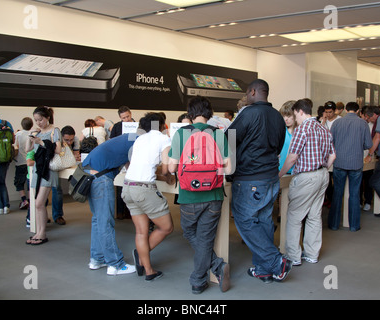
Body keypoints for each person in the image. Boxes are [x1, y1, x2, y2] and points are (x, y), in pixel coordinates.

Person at [226, 79, 292, 283]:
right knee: (263, 220)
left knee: (244, 219)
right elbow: (280, 145)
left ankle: (275, 262)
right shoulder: (278, 117)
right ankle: (263, 269)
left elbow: (228, 138)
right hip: (271, 176)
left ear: (253, 92)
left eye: (247, 93)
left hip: (249, 178)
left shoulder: (248, 113)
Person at [168, 96, 231, 294]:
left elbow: (171, 167)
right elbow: (228, 168)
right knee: (205, 238)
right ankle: (207, 273)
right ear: (209, 112)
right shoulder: (219, 134)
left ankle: (202, 277)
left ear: (190, 112)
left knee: (189, 232)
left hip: (189, 195)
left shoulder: (181, 134)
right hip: (214, 195)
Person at [279, 98, 336, 265]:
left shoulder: (302, 130)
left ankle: (293, 256)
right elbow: (333, 155)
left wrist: (280, 174)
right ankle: (312, 254)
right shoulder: (323, 129)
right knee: (314, 216)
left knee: (295, 217)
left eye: (295, 115)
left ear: (300, 112)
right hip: (323, 175)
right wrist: (323, 167)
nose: (294, 119)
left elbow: (292, 157)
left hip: (306, 177)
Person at [122, 112, 174, 282]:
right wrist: (169, 176)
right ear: (162, 125)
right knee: (166, 227)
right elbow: (167, 169)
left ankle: (149, 270)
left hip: (128, 186)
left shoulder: (140, 139)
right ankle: (141, 255)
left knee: (141, 232)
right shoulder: (163, 138)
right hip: (144, 189)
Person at [83, 133, 137, 276]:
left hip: (89, 173)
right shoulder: (138, 142)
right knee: (105, 222)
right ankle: (115, 264)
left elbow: (126, 161)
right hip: (101, 177)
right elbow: (132, 166)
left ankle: (97, 258)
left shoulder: (129, 137)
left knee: (97, 220)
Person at [328, 102, 372, 231]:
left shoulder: (337, 123)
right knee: (354, 194)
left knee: (337, 193)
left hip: (339, 162)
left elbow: (331, 142)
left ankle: (334, 224)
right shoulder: (363, 123)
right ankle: (354, 225)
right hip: (356, 163)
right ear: (358, 111)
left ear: (346, 110)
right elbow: (368, 144)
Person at [25, 106, 61, 245]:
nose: (38, 122)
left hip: (48, 170)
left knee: (39, 202)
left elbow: (57, 149)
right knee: (37, 204)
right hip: (37, 170)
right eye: (36, 120)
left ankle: (42, 233)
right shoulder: (38, 132)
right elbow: (28, 149)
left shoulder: (54, 130)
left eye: (40, 119)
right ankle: (39, 232)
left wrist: (41, 142)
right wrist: (31, 136)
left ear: (47, 118)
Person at [110, 106, 136, 219]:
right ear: (120, 118)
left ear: (131, 114)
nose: (126, 119)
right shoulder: (116, 127)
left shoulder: (138, 125)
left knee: (133, 183)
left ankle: (130, 211)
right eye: (123, 118)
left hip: (134, 156)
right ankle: (120, 211)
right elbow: (112, 141)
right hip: (121, 156)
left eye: (127, 116)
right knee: (120, 184)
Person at [366, 106, 380, 218]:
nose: (369, 120)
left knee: (375, 181)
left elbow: (377, 137)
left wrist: (369, 154)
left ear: (374, 114)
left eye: (369, 118)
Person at [14, 117, 33, 210]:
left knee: (19, 182)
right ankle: (30, 199)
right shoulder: (32, 134)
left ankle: (24, 200)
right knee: (30, 182)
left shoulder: (18, 134)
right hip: (30, 161)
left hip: (20, 162)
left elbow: (15, 146)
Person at [278, 100, 297, 174]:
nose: (285, 119)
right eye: (283, 116)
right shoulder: (281, 130)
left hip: (295, 172)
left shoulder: (300, 133)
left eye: (288, 116)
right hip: (281, 170)